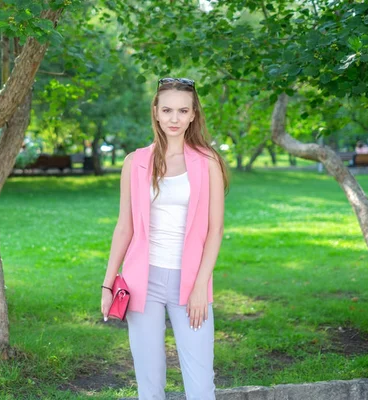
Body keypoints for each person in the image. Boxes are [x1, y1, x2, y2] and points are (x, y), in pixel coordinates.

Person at [101, 77, 228, 400]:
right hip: (142, 281)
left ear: (193, 114)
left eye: (182, 111)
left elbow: (215, 231)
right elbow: (124, 228)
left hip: (191, 284)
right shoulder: (135, 162)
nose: (174, 118)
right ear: (155, 112)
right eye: (167, 110)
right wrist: (107, 284)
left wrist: (201, 285)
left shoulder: (207, 162)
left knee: (200, 385)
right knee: (149, 384)